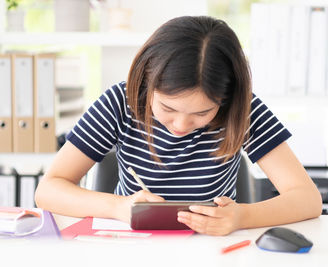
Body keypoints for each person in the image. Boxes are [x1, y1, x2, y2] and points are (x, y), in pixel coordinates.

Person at [35, 16, 322, 236]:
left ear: (225, 99)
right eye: (168, 108)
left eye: (203, 112)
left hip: (213, 247)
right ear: (147, 81)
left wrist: (242, 217)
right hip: (131, 244)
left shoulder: (241, 108)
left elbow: (307, 199)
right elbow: (48, 190)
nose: (181, 125)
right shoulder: (120, 102)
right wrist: (118, 207)